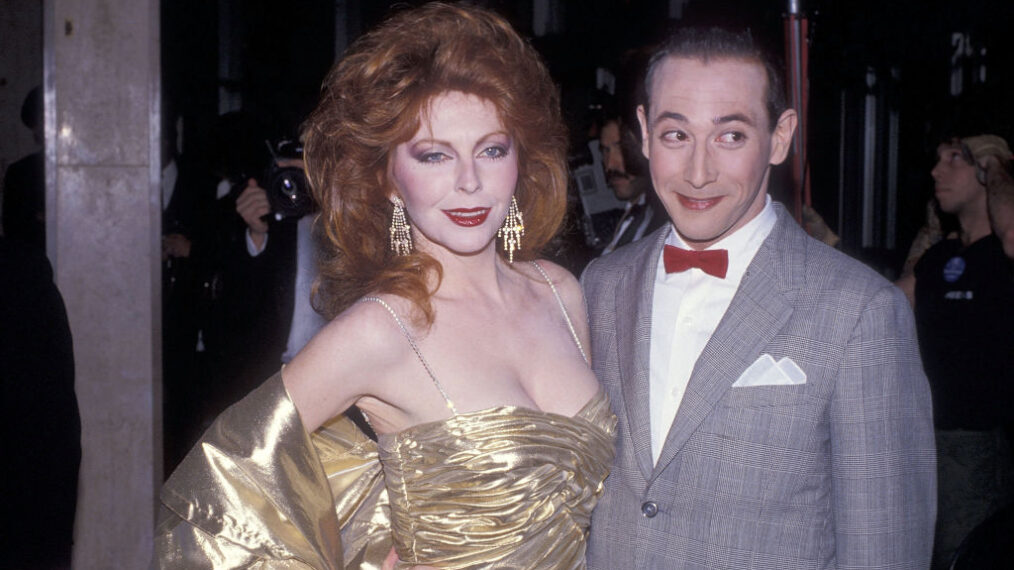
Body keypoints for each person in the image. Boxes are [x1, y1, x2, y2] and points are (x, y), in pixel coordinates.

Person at [154, 4, 615, 568]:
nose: (469, 181)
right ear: (388, 182)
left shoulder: (561, 292)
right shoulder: (380, 330)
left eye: (491, 150)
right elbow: (220, 494)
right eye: (434, 156)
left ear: (521, 161)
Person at [581, 27, 936, 569]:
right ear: (644, 134)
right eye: (677, 135)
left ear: (779, 137)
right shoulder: (600, 286)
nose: (699, 173)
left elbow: (885, 546)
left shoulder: (861, 310)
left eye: (731, 136)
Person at [906, 134, 1014, 569]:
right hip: (922, 436)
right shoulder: (941, 255)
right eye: (937, 159)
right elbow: (884, 303)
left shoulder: (1003, 255)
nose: (937, 171)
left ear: (988, 171)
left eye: (955, 159)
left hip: (974, 445)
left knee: (963, 557)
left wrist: (1000, 167)